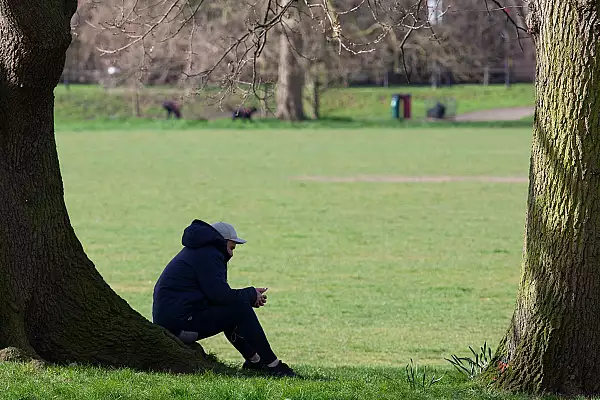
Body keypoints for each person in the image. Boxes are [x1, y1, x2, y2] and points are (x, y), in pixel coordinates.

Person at [152, 219, 295, 377]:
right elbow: (220, 296)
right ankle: (274, 366)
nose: (232, 254)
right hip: (180, 326)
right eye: (232, 247)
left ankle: (255, 362)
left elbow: (218, 297)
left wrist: (248, 296)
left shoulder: (199, 251)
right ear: (222, 242)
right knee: (239, 309)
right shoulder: (209, 254)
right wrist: (250, 294)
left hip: (174, 322)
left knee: (235, 308)